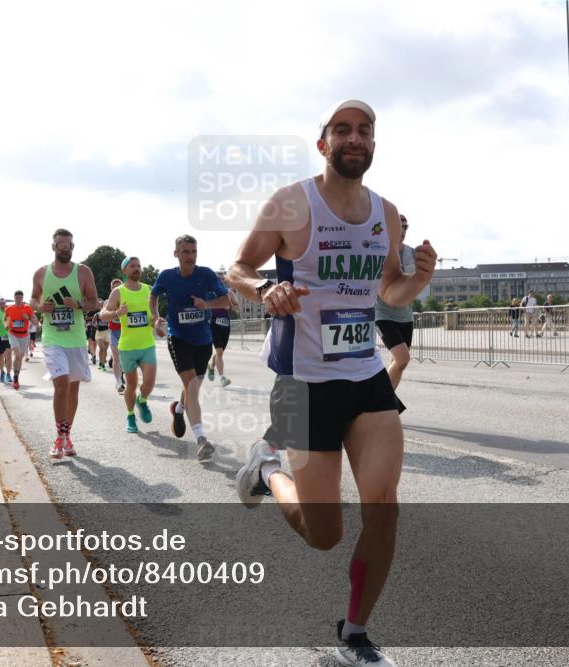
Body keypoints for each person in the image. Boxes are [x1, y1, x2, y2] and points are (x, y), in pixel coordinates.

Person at [228, 99, 436, 666]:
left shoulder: (385, 213)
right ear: (323, 144)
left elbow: (388, 290)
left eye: (364, 130)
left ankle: (355, 636)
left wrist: (417, 281)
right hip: (301, 383)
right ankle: (266, 470)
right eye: (342, 130)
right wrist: (264, 289)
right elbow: (238, 268)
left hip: (365, 376)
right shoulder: (291, 203)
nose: (354, 138)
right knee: (323, 534)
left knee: (384, 507)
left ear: (373, 144)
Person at [150, 234, 230, 462]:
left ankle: (178, 409)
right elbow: (153, 296)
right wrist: (155, 317)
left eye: (194, 252)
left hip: (203, 340)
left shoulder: (206, 275)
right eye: (185, 252)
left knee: (192, 388)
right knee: (192, 385)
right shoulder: (166, 276)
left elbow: (226, 300)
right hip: (178, 338)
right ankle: (201, 440)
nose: (190, 256)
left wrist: (207, 304)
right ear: (176, 254)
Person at [32, 229, 98, 461]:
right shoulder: (42, 273)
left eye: (68, 245)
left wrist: (78, 304)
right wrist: (40, 308)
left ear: (72, 247)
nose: (64, 248)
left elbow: (94, 302)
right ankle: (59, 438)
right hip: (53, 340)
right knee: (61, 385)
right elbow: (33, 299)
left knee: (73, 390)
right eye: (60, 244)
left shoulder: (83, 272)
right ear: (54, 247)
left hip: (76, 339)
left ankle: (67, 434)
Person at [101, 257, 156, 433]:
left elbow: (153, 316)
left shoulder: (149, 290)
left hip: (147, 344)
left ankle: (142, 400)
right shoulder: (118, 292)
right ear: (124, 270)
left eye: (139, 265)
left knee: (149, 382)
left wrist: (157, 322)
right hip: (127, 347)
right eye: (132, 266)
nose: (136, 268)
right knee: (131, 385)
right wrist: (117, 313)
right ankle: (130, 415)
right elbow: (103, 314)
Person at [374, 213, 416, 391]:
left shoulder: (412, 253)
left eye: (405, 227)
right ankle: (380, 400)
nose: (403, 230)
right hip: (383, 315)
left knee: (397, 363)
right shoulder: (379, 251)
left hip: (406, 316)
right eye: (399, 226)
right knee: (402, 359)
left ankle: (387, 401)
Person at [4, 290, 38, 390]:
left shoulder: (27, 308)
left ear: (22, 298)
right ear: (14, 298)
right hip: (13, 333)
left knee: (20, 357)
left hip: (24, 335)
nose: (18, 300)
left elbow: (35, 322)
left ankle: (16, 376)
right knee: (17, 354)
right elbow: (5, 319)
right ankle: (15, 378)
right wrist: (6, 325)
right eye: (17, 298)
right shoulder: (9, 308)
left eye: (20, 298)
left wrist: (28, 318)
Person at [206, 286, 238, 387]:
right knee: (219, 352)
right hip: (213, 322)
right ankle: (222, 378)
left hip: (225, 324)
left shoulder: (229, 292)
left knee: (220, 353)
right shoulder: (208, 291)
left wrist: (230, 306)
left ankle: (211, 367)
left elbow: (237, 307)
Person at [107, 278, 125, 393]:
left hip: (125, 332)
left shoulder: (126, 300)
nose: (116, 289)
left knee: (124, 357)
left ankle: (122, 374)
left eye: (118, 287)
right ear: (111, 290)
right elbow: (103, 313)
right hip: (113, 332)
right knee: (116, 357)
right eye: (114, 288)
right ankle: (118, 381)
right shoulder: (108, 302)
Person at [93, 306, 111, 371]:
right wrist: (95, 325)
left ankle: (102, 363)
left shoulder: (109, 314)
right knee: (102, 348)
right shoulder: (97, 315)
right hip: (99, 333)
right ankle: (101, 362)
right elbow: (93, 322)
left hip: (107, 333)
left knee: (105, 350)